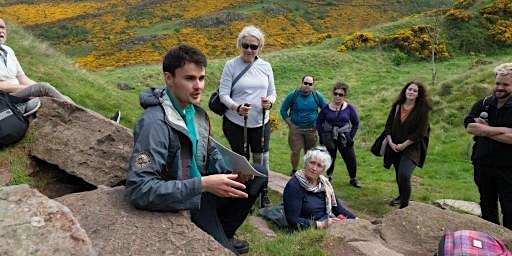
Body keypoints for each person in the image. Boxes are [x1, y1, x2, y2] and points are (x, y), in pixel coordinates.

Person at [126, 45, 260, 254]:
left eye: (202, 78)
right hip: (185, 199)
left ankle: (223, 234)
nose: (198, 86)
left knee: (258, 175)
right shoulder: (154, 125)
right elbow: (139, 189)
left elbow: (206, 153)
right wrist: (202, 185)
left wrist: (232, 169)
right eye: (190, 79)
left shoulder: (194, 112)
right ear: (169, 78)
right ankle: (218, 241)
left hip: (202, 188)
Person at [0, 18, 121, 122]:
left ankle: (103, 120)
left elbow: (23, 78)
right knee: (45, 87)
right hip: (5, 99)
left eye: (3, 27)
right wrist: (33, 89)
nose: (1, 31)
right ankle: (95, 120)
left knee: (64, 98)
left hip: (20, 93)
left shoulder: (9, 51)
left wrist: (36, 88)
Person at [219, 25, 276, 208]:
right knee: (241, 160)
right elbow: (223, 95)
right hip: (236, 122)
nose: (249, 50)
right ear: (240, 45)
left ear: (260, 47)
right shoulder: (231, 65)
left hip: (261, 122)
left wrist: (270, 102)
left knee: (261, 159)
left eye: (254, 46)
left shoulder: (266, 66)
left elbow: (272, 92)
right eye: (246, 45)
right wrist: (236, 107)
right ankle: (241, 193)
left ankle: (262, 193)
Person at [464, 63, 512, 230]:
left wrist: (484, 130)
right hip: (482, 164)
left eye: (506, 85)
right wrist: (502, 131)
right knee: (487, 206)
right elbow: (470, 127)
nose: (500, 88)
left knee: (510, 208)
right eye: (498, 83)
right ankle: (491, 244)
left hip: (508, 168)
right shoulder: (484, 103)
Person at [283, 146, 356, 230]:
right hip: (308, 229)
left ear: (323, 169)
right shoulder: (294, 186)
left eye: (319, 165)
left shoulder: (324, 184)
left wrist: (356, 220)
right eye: (312, 163)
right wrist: (321, 224)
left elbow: (337, 209)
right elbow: (293, 220)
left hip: (326, 221)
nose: (314, 168)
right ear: (305, 163)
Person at [384, 80, 431, 209]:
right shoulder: (397, 106)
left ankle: (404, 207)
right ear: (405, 91)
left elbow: (421, 132)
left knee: (404, 174)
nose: (411, 92)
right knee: (399, 174)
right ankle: (401, 196)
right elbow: (388, 126)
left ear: (418, 94)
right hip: (394, 145)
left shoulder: (422, 110)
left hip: (412, 147)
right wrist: (391, 142)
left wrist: (404, 144)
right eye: (409, 89)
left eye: (415, 91)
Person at [316, 82, 361, 188]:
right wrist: (322, 135)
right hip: (329, 136)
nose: (338, 96)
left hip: (344, 136)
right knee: (330, 157)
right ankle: (328, 177)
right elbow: (318, 122)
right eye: (336, 93)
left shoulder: (349, 108)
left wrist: (350, 136)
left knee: (350, 158)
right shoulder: (326, 109)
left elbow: (356, 122)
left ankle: (353, 178)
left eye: (341, 94)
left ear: (344, 96)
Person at [280, 75, 327, 175]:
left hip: (311, 130)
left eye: (310, 84)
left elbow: (325, 110)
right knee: (295, 151)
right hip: (296, 129)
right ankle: (294, 170)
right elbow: (283, 110)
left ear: (312, 85)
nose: (307, 86)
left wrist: (319, 123)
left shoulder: (316, 95)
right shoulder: (293, 95)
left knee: (310, 153)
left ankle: (307, 172)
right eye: (305, 83)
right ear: (302, 83)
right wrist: (290, 124)